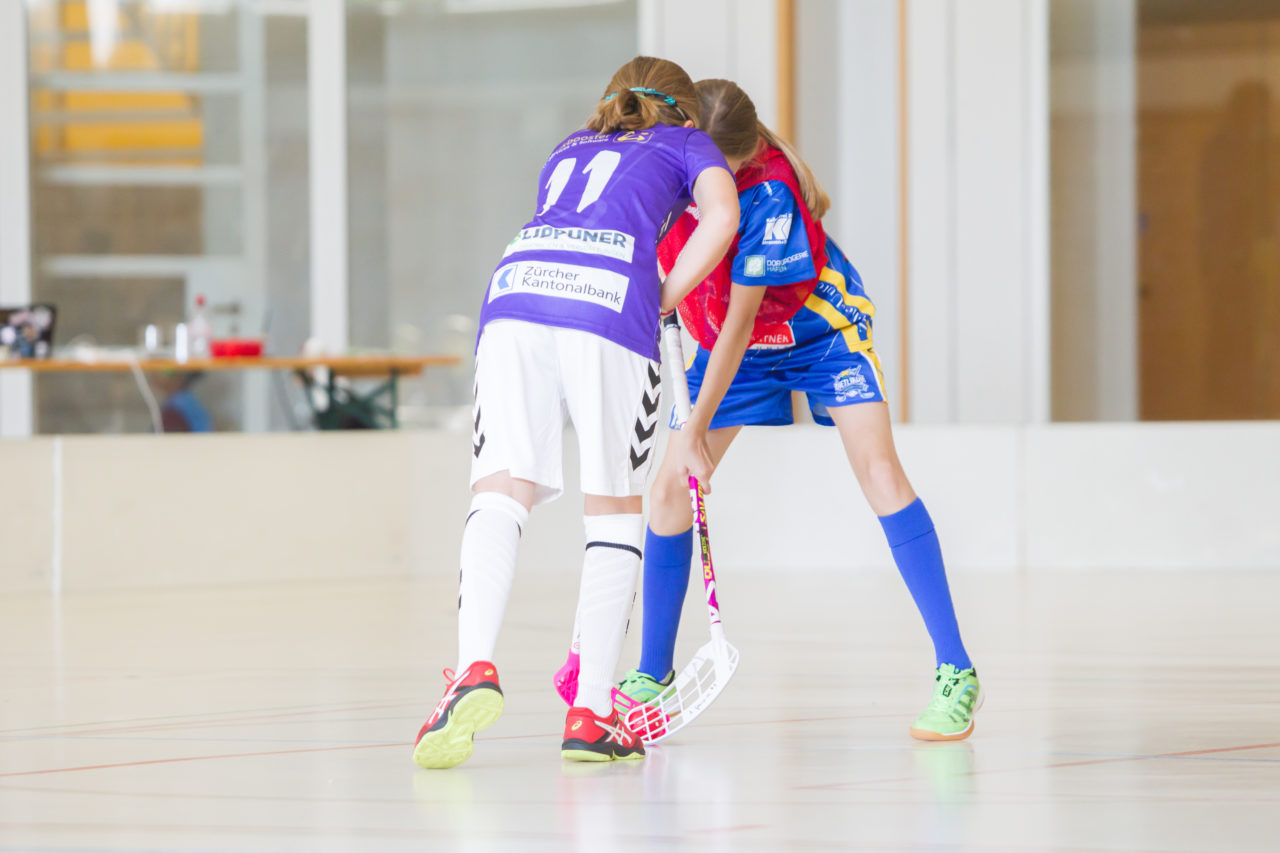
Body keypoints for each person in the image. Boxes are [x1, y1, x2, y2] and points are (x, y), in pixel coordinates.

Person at [564, 78, 981, 741]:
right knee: (667, 493)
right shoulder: (672, 170)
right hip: (730, 344)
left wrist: (694, 429)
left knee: (880, 474)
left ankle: (956, 669)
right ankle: (652, 674)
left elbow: (740, 323)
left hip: (819, 335)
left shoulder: (771, 193)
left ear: (748, 153)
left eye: (722, 173)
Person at [412, 57, 739, 769]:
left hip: (515, 293)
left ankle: (470, 669)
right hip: (609, 303)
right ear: (684, 111)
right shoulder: (688, 142)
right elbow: (723, 215)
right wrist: (665, 295)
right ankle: (591, 713)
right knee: (614, 509)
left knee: (500, 491)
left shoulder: (570, 144)